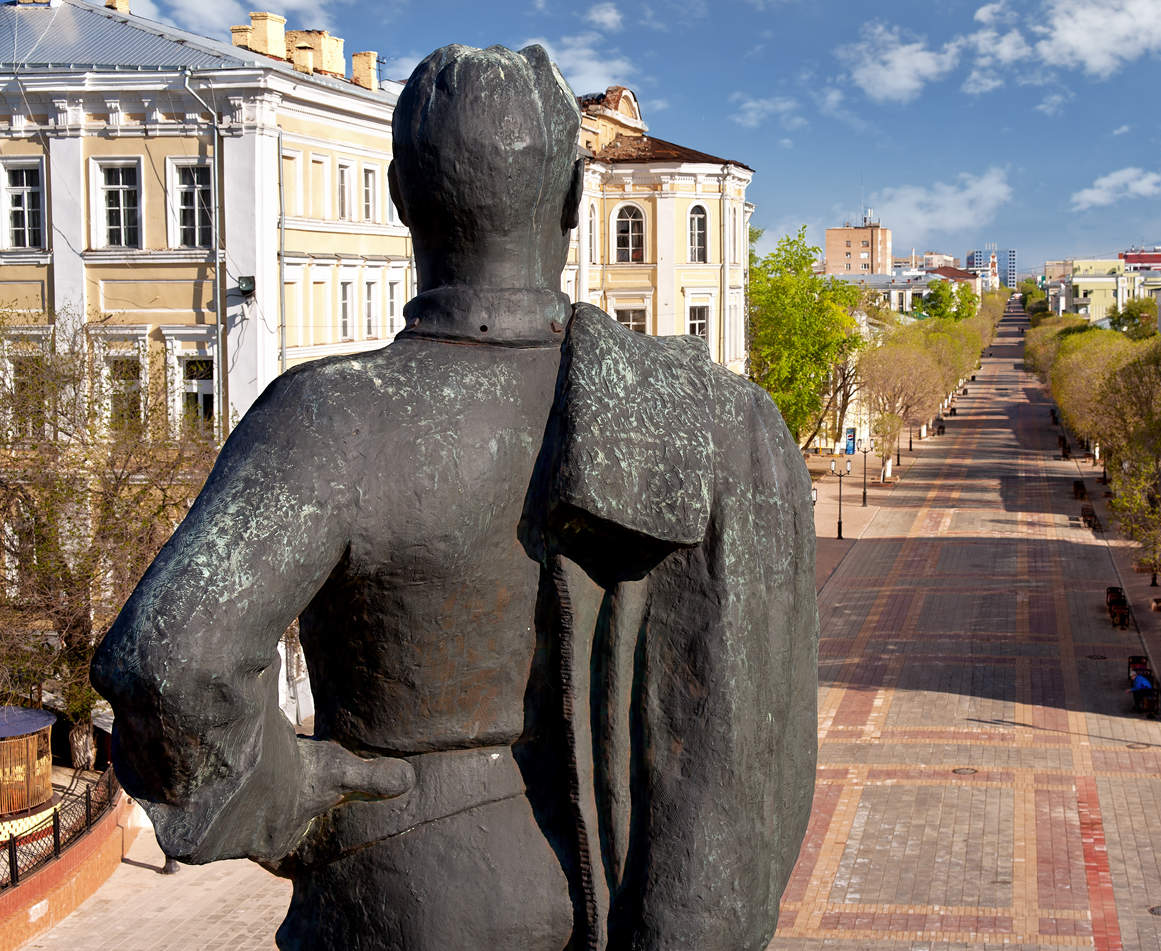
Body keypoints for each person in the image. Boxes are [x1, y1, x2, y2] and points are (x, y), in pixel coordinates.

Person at [92, 44, 816, 951]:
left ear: (400, 197)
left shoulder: (331, 414)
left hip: (397, 892)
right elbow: (756, 750)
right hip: (608, 897)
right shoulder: (705, 419)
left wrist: (283, 795)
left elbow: (168, 663)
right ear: (572, 203)